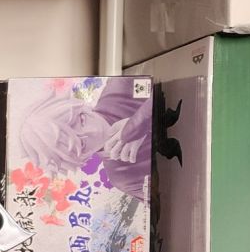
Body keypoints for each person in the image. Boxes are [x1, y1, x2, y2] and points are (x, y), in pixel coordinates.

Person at [18, 78, 153, 201]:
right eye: (82, 144)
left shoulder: (120, 87)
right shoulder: (125, 177)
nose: (94, 130)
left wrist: (142, 121)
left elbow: (162, 78)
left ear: (80, 107)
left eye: (82, 120)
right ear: (82, 158)